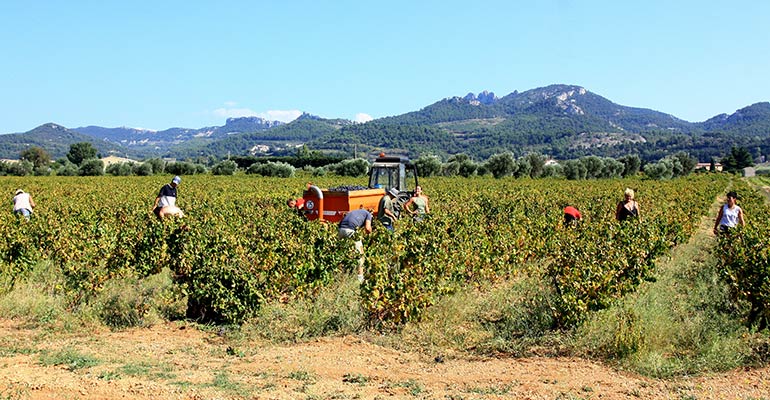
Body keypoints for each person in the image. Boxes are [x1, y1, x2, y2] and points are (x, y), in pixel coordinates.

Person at [338, 208, 373, 283]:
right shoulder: (368, 215)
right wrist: (371, 232)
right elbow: (367, 228)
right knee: (360, 255)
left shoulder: (356, 212)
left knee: (343, 253)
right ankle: (360, 279)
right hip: (350, 230)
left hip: (340, 230)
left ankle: (340, 275)